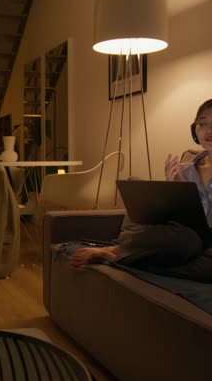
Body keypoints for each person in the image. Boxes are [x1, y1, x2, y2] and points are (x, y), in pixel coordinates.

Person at [70, 99, 212, 281]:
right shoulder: (184, 169)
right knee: (186, 240)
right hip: (185, 238)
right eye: (202, 123)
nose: (208, 130)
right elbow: (172, 219)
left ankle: (120, 258)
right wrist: (174, 186)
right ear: (195, 130)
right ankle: (117, 251)